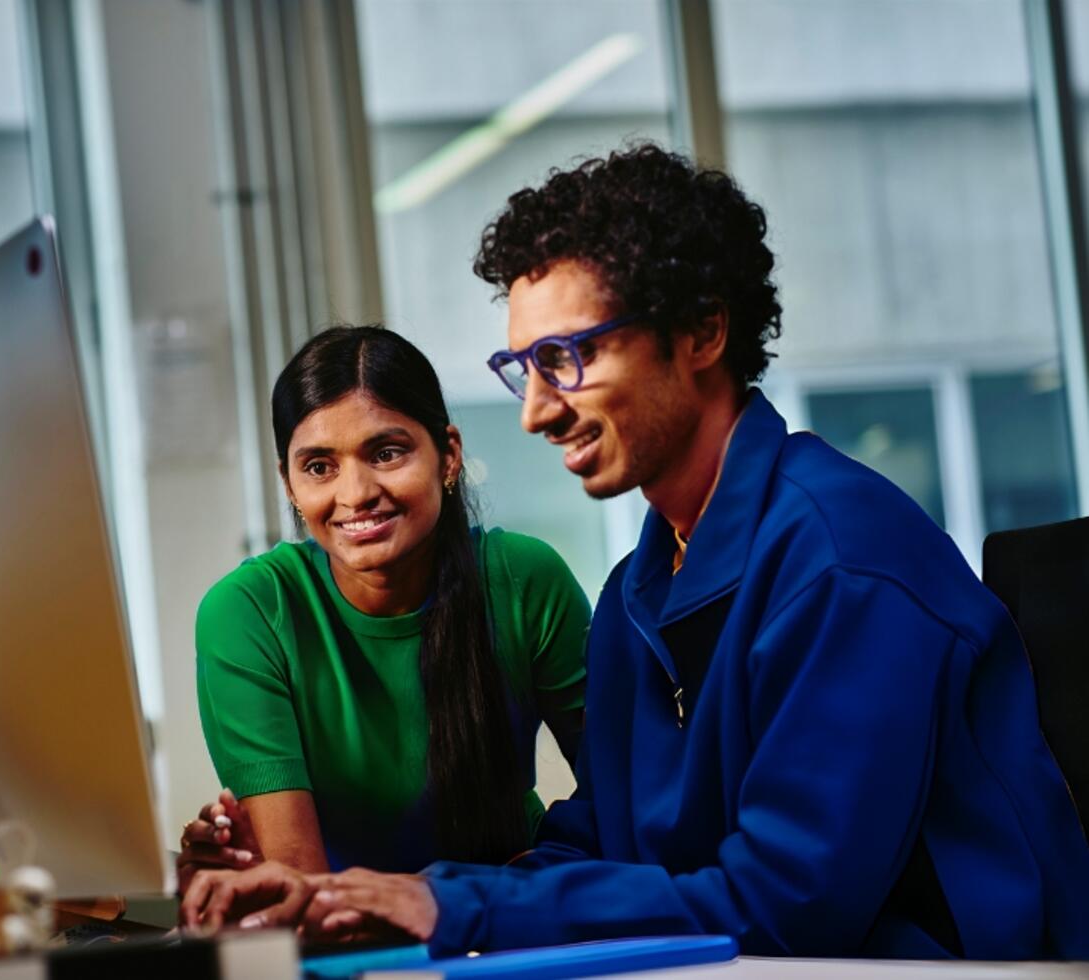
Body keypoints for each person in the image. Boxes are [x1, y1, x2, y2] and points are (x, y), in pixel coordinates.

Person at [179, 145, 1089, 959]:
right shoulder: (639, 590)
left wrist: (458, 910)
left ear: (699, 333)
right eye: (523, 369)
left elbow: (788, 901)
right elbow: (605, 837)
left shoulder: (842, 562)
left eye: (567, 358)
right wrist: (398, 899)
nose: (536, 410)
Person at [177, 325, 590, 888]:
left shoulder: (526, 579)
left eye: (387, 452)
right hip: (349, 946)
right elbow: (300, 882)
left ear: (448, 456)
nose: (355, 494)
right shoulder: (249, 613)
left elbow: (619, 803)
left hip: (515, 922)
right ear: (290, 484)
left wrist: (548, 871)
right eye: (319, 466)